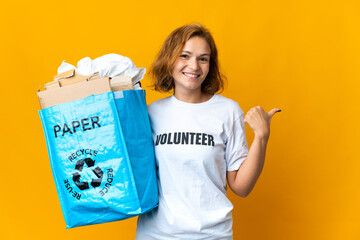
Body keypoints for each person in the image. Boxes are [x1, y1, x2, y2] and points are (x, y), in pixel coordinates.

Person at [135, 23, 280, 240]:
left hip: (211, 235)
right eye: (185, 56)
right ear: (169, 59)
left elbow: (241, 187)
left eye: (203, 58)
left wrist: (261, 137)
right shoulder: (150, 114)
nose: (194, 66)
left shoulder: (228, 111)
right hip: (156, 234)